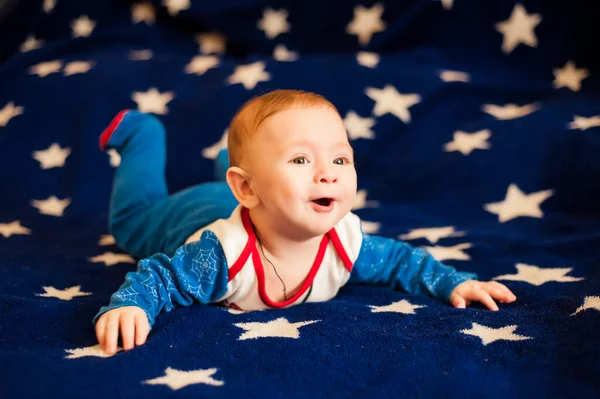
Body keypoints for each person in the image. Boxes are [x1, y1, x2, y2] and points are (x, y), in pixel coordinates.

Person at [93, 90, 517, 356]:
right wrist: (131, 305)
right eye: (301, 159)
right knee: (130, 222)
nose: (328, 173)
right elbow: (159, 278)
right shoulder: (219, 255)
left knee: (260, 176)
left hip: (247, 192)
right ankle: (141, 135)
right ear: (246, 189)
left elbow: (403, 263)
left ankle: (241, 162)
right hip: (189, 213)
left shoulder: (346, 243)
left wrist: (454, 282)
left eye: (340, 158)